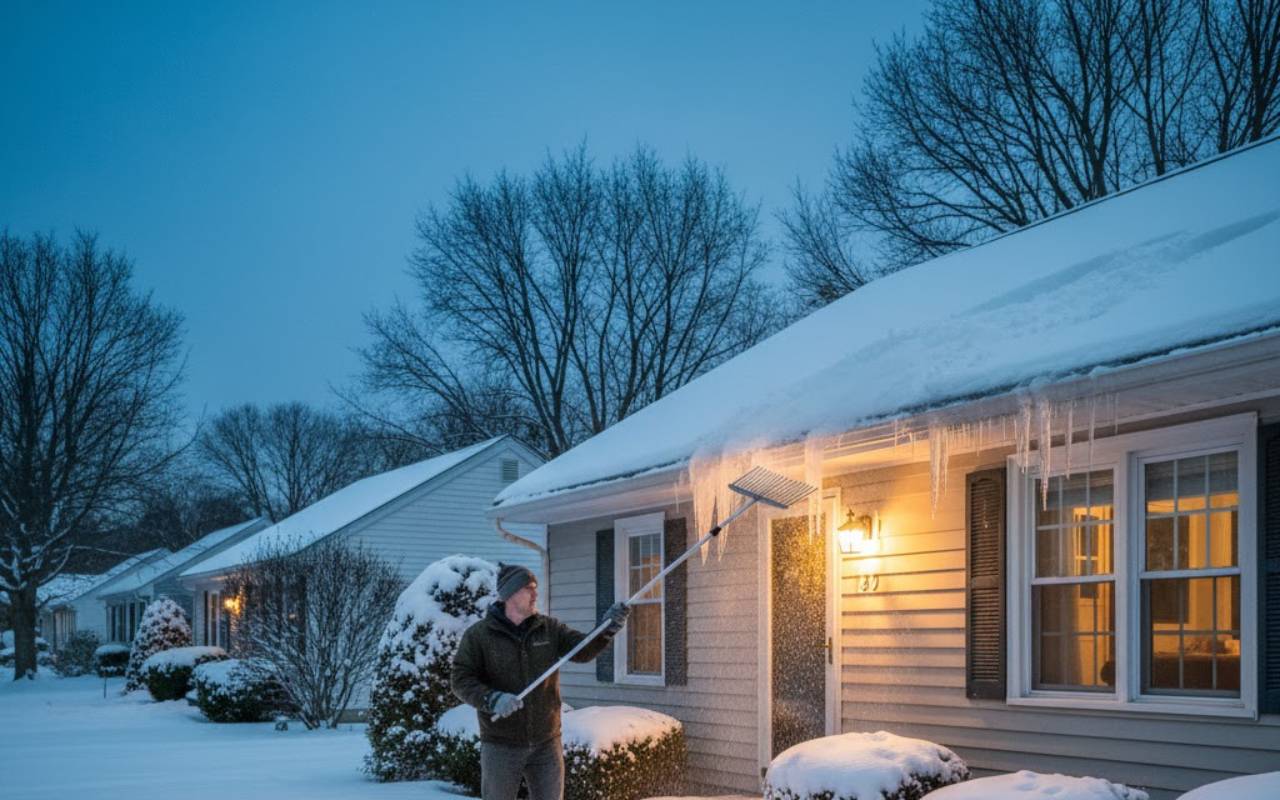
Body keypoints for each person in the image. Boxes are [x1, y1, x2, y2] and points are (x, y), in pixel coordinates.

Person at [451, 563, 631, 800]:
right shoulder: (480, 635)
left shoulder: (549, 629)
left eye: (536, 587)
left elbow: (582, 651)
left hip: (546, 742)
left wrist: (607, 629)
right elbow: (461, 680)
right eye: (528, 588)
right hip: (500, 744)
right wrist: (492, 699)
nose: (535, 594)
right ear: (509, 594)